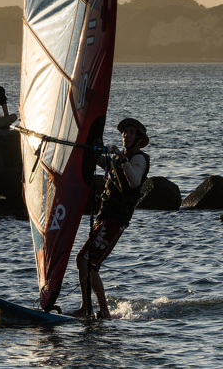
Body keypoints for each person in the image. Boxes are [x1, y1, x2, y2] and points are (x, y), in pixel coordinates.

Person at [68, 117, 151, 319]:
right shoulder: (116, 158)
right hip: (104, 215)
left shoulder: (139, 158)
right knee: (82, 259)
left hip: (116, 218)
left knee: (89, 262)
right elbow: (102, 161)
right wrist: (90, 147)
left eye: (131, 132)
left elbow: (133, 182)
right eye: (125, 132)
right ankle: (86, 307)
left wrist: (122, 158)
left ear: (139, 138)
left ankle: (102, 312)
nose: (126, 135)